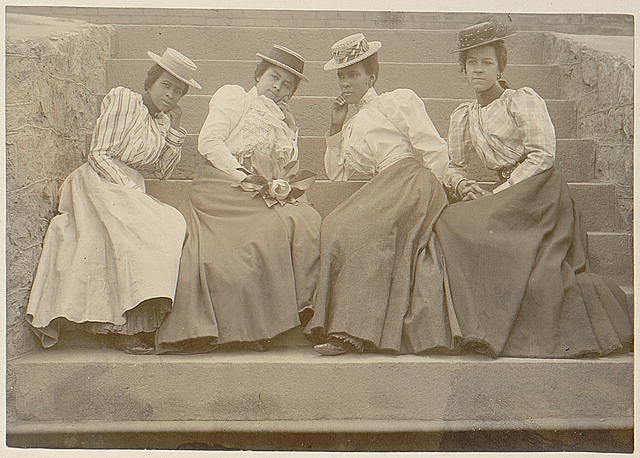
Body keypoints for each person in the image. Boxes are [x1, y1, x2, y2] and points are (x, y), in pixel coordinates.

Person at [433, 18, 632, 357]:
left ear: (500, 66)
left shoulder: (521, 101)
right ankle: (474, 322)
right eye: (471, 63)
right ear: (462, 69)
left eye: (487, 62)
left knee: (477, 228)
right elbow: (453, 164)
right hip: (507, 192)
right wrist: (463, 183)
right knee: (449, 222)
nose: (478, 70)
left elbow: (542, 155)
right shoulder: (463, 116)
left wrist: (504, 191)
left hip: (538, 190)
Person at [25, 48, 201, 354]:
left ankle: (133, 322)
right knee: (137, 231)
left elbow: (162, 172)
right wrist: (126, 190)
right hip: (97, 180)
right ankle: (121, 328)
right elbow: (99, 153)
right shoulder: (124, 99)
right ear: (151, 81)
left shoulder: (160, 122)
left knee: (171, 223)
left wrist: (174, 132)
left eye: (178, 91)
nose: (171, 95)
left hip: (128, 187)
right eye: (166, 85)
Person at [156, 45, 321, 354]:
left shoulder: (283, 117)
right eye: (274, 77)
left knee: (305, 219)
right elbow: (209, 142)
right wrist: (243, 176)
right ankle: (246, 326)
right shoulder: (234, 97)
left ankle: (289, 314)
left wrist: (291, 128)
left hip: (262, 188)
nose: (278, 87)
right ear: (259, 75)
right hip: (223, 183)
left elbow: (289, 165)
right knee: (265, 229)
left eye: (287, 85)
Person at [304, 33, 451, 356]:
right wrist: (335, 129)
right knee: (335, 226)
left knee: (366, 233)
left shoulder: (397, 101)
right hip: (382, 187)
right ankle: (336, 323)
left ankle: (353, 331)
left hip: (412, 180)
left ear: (371, 76)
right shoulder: (353, 124)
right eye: (341, 76)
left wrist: (436, 195)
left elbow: (434, 148)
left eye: (353, 74)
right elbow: (337, 174)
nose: (345, 83)